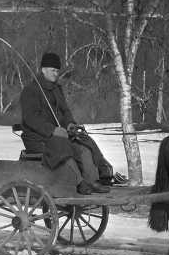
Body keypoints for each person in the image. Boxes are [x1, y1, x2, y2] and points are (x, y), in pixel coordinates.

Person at [19, 52, 118, 195]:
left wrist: (70, 124)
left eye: (57, 71)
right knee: (62, 146)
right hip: (37, 137)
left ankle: (92, 181)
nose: (56, 73)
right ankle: (79, 182)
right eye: (53, 70)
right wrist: (52, 130)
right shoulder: (31, 90)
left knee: (83, 144)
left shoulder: (56, 89)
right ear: (43, 70)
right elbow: (31, 118)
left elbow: (65, 111)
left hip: (59, 134)